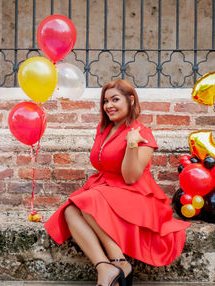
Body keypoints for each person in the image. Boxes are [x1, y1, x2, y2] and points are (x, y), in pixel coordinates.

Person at [44, 79, 190, 286]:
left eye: (115, 99)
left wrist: (131, 143)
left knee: (87, 201)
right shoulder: (103, 129)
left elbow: (131, 177)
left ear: (131, 100)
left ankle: (120, 262)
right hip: (105, 188)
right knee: (69, 211)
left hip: (135, 193)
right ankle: (104, 266)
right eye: (105, 101)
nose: (109, 106)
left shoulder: (143, 133)